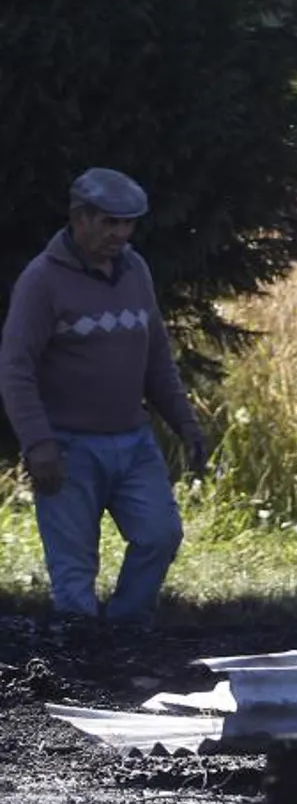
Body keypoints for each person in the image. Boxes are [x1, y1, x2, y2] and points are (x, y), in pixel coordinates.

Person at [0, 168, 208, 624]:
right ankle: (79, 669)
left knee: (160, 534)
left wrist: (185, 423)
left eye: (128, 223)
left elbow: (156, 359)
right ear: (80, 218)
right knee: (74, 574)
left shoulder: (135, 270)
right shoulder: (42, 281)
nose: (120, 234)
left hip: (132, 440)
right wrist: (38, 443)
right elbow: (16, 369)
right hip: (66, 446)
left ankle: (124, 628)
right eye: (109, 223)